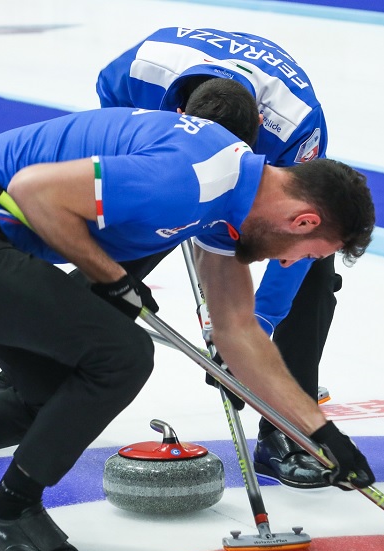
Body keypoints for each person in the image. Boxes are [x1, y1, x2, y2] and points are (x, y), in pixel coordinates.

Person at [0, 100, 376, 551]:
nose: (288, 263)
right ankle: (8, 513)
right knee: (121, 357)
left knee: (52, 398)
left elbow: (238, 332)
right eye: (305, 253)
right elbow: (36, 191)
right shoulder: (190, 180)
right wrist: (111, 278)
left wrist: (319, 433)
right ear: (302, 219)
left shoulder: (231, 192)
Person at [96, 26, 341, 490]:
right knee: (105, 262)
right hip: (165, 157)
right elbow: (111, 119)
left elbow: (307, 226)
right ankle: (22, 387)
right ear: (180, 113)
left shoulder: (296, 126)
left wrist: (258, 326)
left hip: (265, 169)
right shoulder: (140, 71)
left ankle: (286, 429)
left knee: (313, 255)